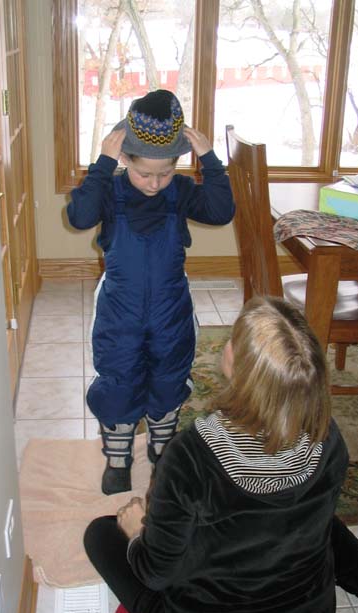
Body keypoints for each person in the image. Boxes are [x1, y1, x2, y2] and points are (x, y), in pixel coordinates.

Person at [83, 296, 358, 613]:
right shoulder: (328, 436)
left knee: (100, 534)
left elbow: (156, 573)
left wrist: (135, 534)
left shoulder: (191, 455)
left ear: (236, 366)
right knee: (317, 519)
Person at [67, 89, 235, 495]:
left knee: (169, 375)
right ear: (125, 159)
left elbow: (221, 210)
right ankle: (119, 457)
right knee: (119, 377)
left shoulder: (178, 192)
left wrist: (210, 162)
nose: (156, 182)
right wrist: (100, 167)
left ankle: (162, 450)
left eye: (165, 172)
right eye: (146, 173)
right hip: (120, 311)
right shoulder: (109, 190)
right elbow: (79, 216)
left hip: (170, 309)